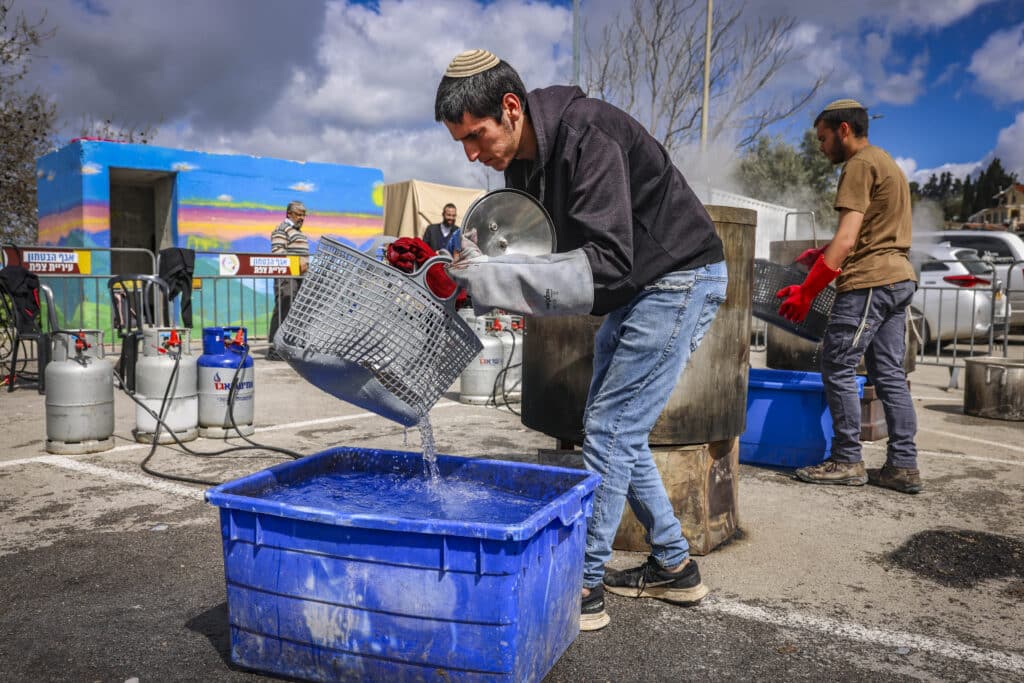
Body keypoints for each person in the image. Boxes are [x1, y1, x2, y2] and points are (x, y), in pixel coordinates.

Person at [435, 49, 728, 631]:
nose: (471, 153)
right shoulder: (522, 169)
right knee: (614, 427)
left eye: (475, 135)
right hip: (639, 290)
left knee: (611, 429)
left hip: (677, 277)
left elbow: (609, 260)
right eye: (460, 142)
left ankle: (583, 584)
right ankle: (674, 566)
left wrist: (489, 281)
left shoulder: (587, 132)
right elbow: (534, 251)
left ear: (511, 109)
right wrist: (473, 266)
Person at [775, 99, 921, 494]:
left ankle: (846, 460)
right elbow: (871, 232)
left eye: (822, 138)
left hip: (869, 282)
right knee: (890, 375)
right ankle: (903, 467)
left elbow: (848, 239)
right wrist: (817, 255)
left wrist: (806, 292)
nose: (820, 148)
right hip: (898, 278)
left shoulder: (857, 165)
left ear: (843, 130)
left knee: (837, 363)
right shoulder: (886, 161)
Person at [267, 201, 309, 360]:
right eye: (299, 214)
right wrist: (296, 262)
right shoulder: (281, 229)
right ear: (289, 214)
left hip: (299, 277)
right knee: (283, 307)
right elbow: (277, 251)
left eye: (304, 214)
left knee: (296, 311)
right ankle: (274, 347)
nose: (302, 217)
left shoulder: (299, 232)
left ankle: (289, 346)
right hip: (287, 277)